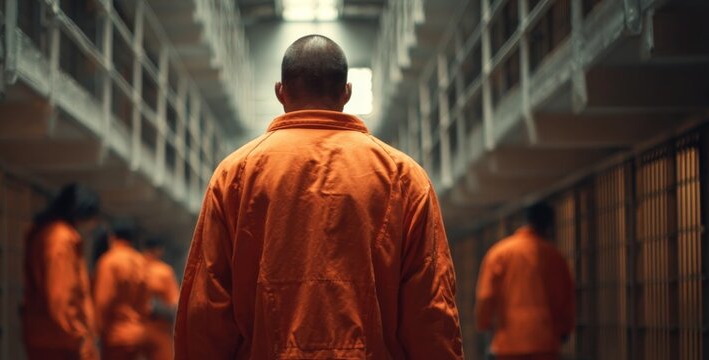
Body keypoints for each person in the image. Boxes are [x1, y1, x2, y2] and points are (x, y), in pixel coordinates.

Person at [175, 34, 464, 359]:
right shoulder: (404, 176)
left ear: (280, 92)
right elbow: (431, 309)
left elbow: (206, 309)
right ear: (347, 92)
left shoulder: (235, 174)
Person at [475, 203, 576, 360]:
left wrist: (484, 323)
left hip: (508, 344)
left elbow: (486, 296)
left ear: (526, 222)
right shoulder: (556, 257)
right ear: (549, 227)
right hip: (545, 344)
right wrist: (564, 330)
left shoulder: (499, 253)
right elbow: (566, 299)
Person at [22, 183, 101, 359]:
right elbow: (61, 296)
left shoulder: (48, 234)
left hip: (50, 337)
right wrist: (79, 337)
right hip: (61, 342)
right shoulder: (60, 240)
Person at [93, 218, 155, 360]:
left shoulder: (109, 261)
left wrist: (95, 334)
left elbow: (102, 302)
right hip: (137, 334)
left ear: (112, 237)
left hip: (115, 336)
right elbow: (146, 303)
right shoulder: (142, 262)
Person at [141, 237, 179, 360]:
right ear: (159, 250)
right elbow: (174, 304)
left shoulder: (135, 267)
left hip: (134, 328)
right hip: (159, 328)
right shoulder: (164, 271)